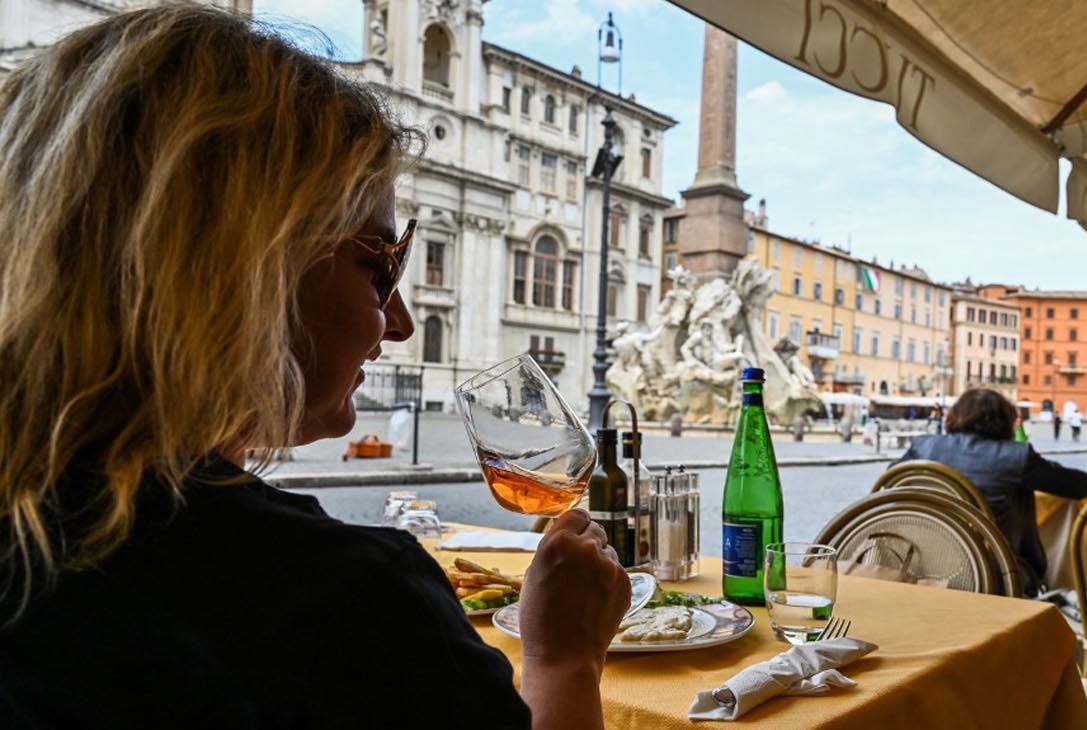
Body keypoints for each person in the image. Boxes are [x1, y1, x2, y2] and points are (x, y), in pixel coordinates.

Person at [0, 8, 628, 729]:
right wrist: (564, 659)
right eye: (380, 267)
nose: (399, 324)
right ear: (243, 267)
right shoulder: (348, 602)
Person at [892, 389, 1087, 596]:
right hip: (992, 575)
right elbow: (1082, 485)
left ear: (955, 415)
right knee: (1019, 491)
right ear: (1007, 420)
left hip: (921, 567)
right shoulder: (1016, 456)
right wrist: (1037, 466)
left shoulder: (923, 447)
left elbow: (890, 482)